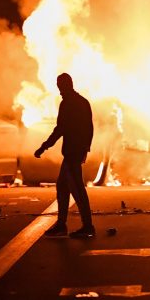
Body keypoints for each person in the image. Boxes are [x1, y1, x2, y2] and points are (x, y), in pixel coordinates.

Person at [35, 73, 96, 238]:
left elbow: (60, 129)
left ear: (65, 85)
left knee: (77, 190)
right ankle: (61, 225)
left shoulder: (68, 103)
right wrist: (86, 149)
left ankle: (88, 226)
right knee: (62, 187)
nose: (59, 89)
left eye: (60, 85)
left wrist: (44, 147)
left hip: (71, 153)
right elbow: (90, 128)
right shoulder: (83, 102)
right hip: (76, 151)